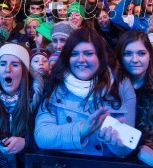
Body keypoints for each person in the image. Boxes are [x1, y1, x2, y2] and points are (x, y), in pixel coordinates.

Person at [35, 27, 136, 158]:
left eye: (88, 53)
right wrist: (82, 130)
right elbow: (42, 136)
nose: (81, 59)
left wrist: (115, 143)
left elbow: (127, 148)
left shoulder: (121, 84)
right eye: (74, 54)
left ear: (100, 56)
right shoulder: (56, 83)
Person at [116, 30, 153, 127]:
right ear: (120, 57)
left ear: (150, 56)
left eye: (141, 53)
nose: (135, 60)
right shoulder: (112, 87)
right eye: (127, 54)